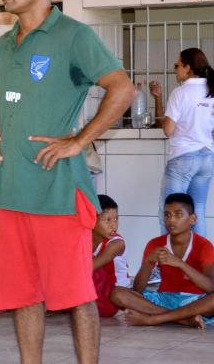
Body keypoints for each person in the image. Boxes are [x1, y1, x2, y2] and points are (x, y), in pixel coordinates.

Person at [0, 0, 136, 364]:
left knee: (76, 295)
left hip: (58, 194)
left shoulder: (72, 36)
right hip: (12, 192)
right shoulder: (5, 45)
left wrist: (78, 140)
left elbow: (122, 89)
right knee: (24, 293)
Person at [110, 193, 214, 328]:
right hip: (164, 298)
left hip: (195, 301)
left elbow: (210, 287)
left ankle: (154, 319)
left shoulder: (204, 245)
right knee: (117, 294)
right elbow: (138, 290)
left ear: (192, 219)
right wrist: (148, 263)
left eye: (178, 215)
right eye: (167, 215)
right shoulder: (155, 244)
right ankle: (183, 320)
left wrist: (180, 264)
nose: (171, 220)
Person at [149, 48, 214, 236]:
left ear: (188, 67)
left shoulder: (181, 92)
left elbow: (168, 130)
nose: (175, 69)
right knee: (198, 211)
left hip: (184, 158)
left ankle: (168, 260)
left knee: (169, 211)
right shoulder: (211, 90)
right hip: (208, 157)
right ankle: (203, 263)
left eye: (177, 65)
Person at [91, 195, 127, 318]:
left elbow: (90, 267)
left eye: (116, 219)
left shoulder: (117, 243)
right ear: (91, 219)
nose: (114, 225)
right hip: (95, 294)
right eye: (108, 220)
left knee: (93, 270)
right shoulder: (83, 239)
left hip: (113, 298)